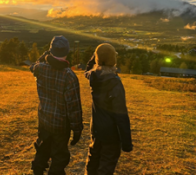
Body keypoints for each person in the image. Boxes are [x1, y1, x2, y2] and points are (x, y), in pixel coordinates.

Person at [30, 36, 83, 175]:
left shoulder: (40, 69)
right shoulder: (69, 76)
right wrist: (77, 129)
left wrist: (46, 55)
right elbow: (74, 107)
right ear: (67, 51)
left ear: (51, 50)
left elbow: (35, 64)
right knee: (59, 156)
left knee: (42, 149)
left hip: (44, 120)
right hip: (61, 125)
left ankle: (37, 171)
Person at [84, 43, 133, 175]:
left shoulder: (93, 77)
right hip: (111, 135)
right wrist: (127, 144)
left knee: (93, 159)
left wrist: (96, 56)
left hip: (96, 129)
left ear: (97, 59)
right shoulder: (115, 83)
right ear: (113, 60)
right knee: (106, 166)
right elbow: (121, 116)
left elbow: (87, 69)